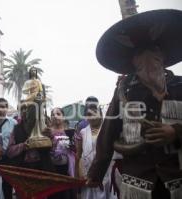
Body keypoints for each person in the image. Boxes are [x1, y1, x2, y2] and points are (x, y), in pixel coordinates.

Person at [87, 9, 182, 199]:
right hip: (137, 182)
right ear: (133, 62)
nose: (147, 58)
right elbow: (108, 133)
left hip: (177, 179)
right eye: (140, 54)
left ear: (162, 56)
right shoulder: (125, 91)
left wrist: (176, 132)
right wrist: (96, 174)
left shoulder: (179, 86)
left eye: (153, 51)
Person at [75, 96, 114, 199]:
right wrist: (81, 174)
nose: (92, 117)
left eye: (94, 113)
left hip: (107, 174)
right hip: (88, 174)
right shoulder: (82, 133)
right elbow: (79, 155)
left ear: (101, 114)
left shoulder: (109, 131)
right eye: (88, 114)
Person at [7, 103, 54, 171]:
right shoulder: (16, 129)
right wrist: (22, 146)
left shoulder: (45, 127)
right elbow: (9, 152)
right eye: (21, 109)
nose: (24, 111)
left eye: (26, 108)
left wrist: (50, 137)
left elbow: (54, 149)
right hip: (22, 168)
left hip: (43, 168)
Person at [48, 107, 76, 199]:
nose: (55, 116)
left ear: (63, 117)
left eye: (58, 114)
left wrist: (71, 144)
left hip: (66, 169)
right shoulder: (47, 132)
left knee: (66, 193)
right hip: (52, 169)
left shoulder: (69, 131)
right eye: (52, 114)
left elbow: (75, 149)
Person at [21, 67, 51, 149]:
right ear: (30, 72)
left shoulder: (38, 81)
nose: (33, 71)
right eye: (32, 70)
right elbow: (24, 91)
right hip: (30, 99)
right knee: (33, 117)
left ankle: (40, 134)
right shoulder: (28, 82)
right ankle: (33, 134)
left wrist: (42, 98)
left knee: (40, 117)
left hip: (39, 100)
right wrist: (31, 88)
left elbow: (41, 91)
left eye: (35, 70)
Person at [0, 97, 17, 199]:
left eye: (3, 107)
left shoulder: (14, 123)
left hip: (9, 159)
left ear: (7, 108)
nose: (1, 109)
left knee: (7, 185)